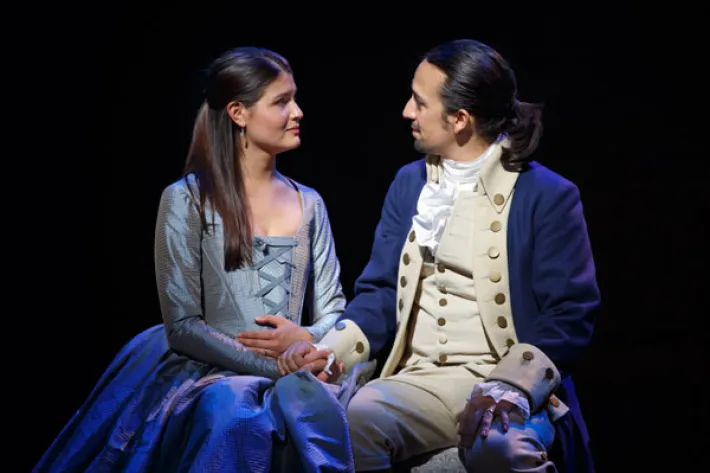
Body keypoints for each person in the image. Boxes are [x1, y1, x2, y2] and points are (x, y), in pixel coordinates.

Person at [280, 39, 601, 473]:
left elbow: (569, 313)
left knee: (501, 450)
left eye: (419, 102)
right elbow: (379, 292)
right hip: (420, 380)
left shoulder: (547, 195)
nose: (407, 113)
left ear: (460, 120)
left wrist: (512, 387)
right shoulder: (409, 184)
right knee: (357, 420)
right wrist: (330, 350)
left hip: (500, 379)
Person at [35, 46, 353, 473]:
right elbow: (183, 325)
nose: (297, 111)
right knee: (231, 412)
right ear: (239, 113)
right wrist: (275, 366)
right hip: (209, 369)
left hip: (293, 369)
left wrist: (306, 343)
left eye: (293, 98)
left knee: (331, 413)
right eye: (281, 101)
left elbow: (334, 307)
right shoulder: (187, 199)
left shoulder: (309, 203)